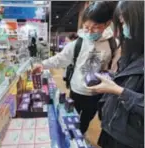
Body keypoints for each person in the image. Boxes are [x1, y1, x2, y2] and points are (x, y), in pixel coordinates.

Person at [33, 1, 117, 134]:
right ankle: (70, 136)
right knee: (70, 116)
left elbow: (114, 69)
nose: (90, 31)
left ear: (107, 24)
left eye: (95, 27)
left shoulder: (113, 44)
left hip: (96, 94)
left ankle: (79, 137)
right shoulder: (78, 42)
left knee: (85, 121)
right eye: (86, 27)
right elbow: (61, 58)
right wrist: (42, 64)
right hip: (76, 90)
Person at [87, 1, 144, 148]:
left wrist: (117, 90)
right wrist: (111, 79)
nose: (123, 27)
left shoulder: (113, 44)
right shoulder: (133, 50)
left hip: (130, 139)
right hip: (111, 127)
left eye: (125, 22)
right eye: (121, 22)